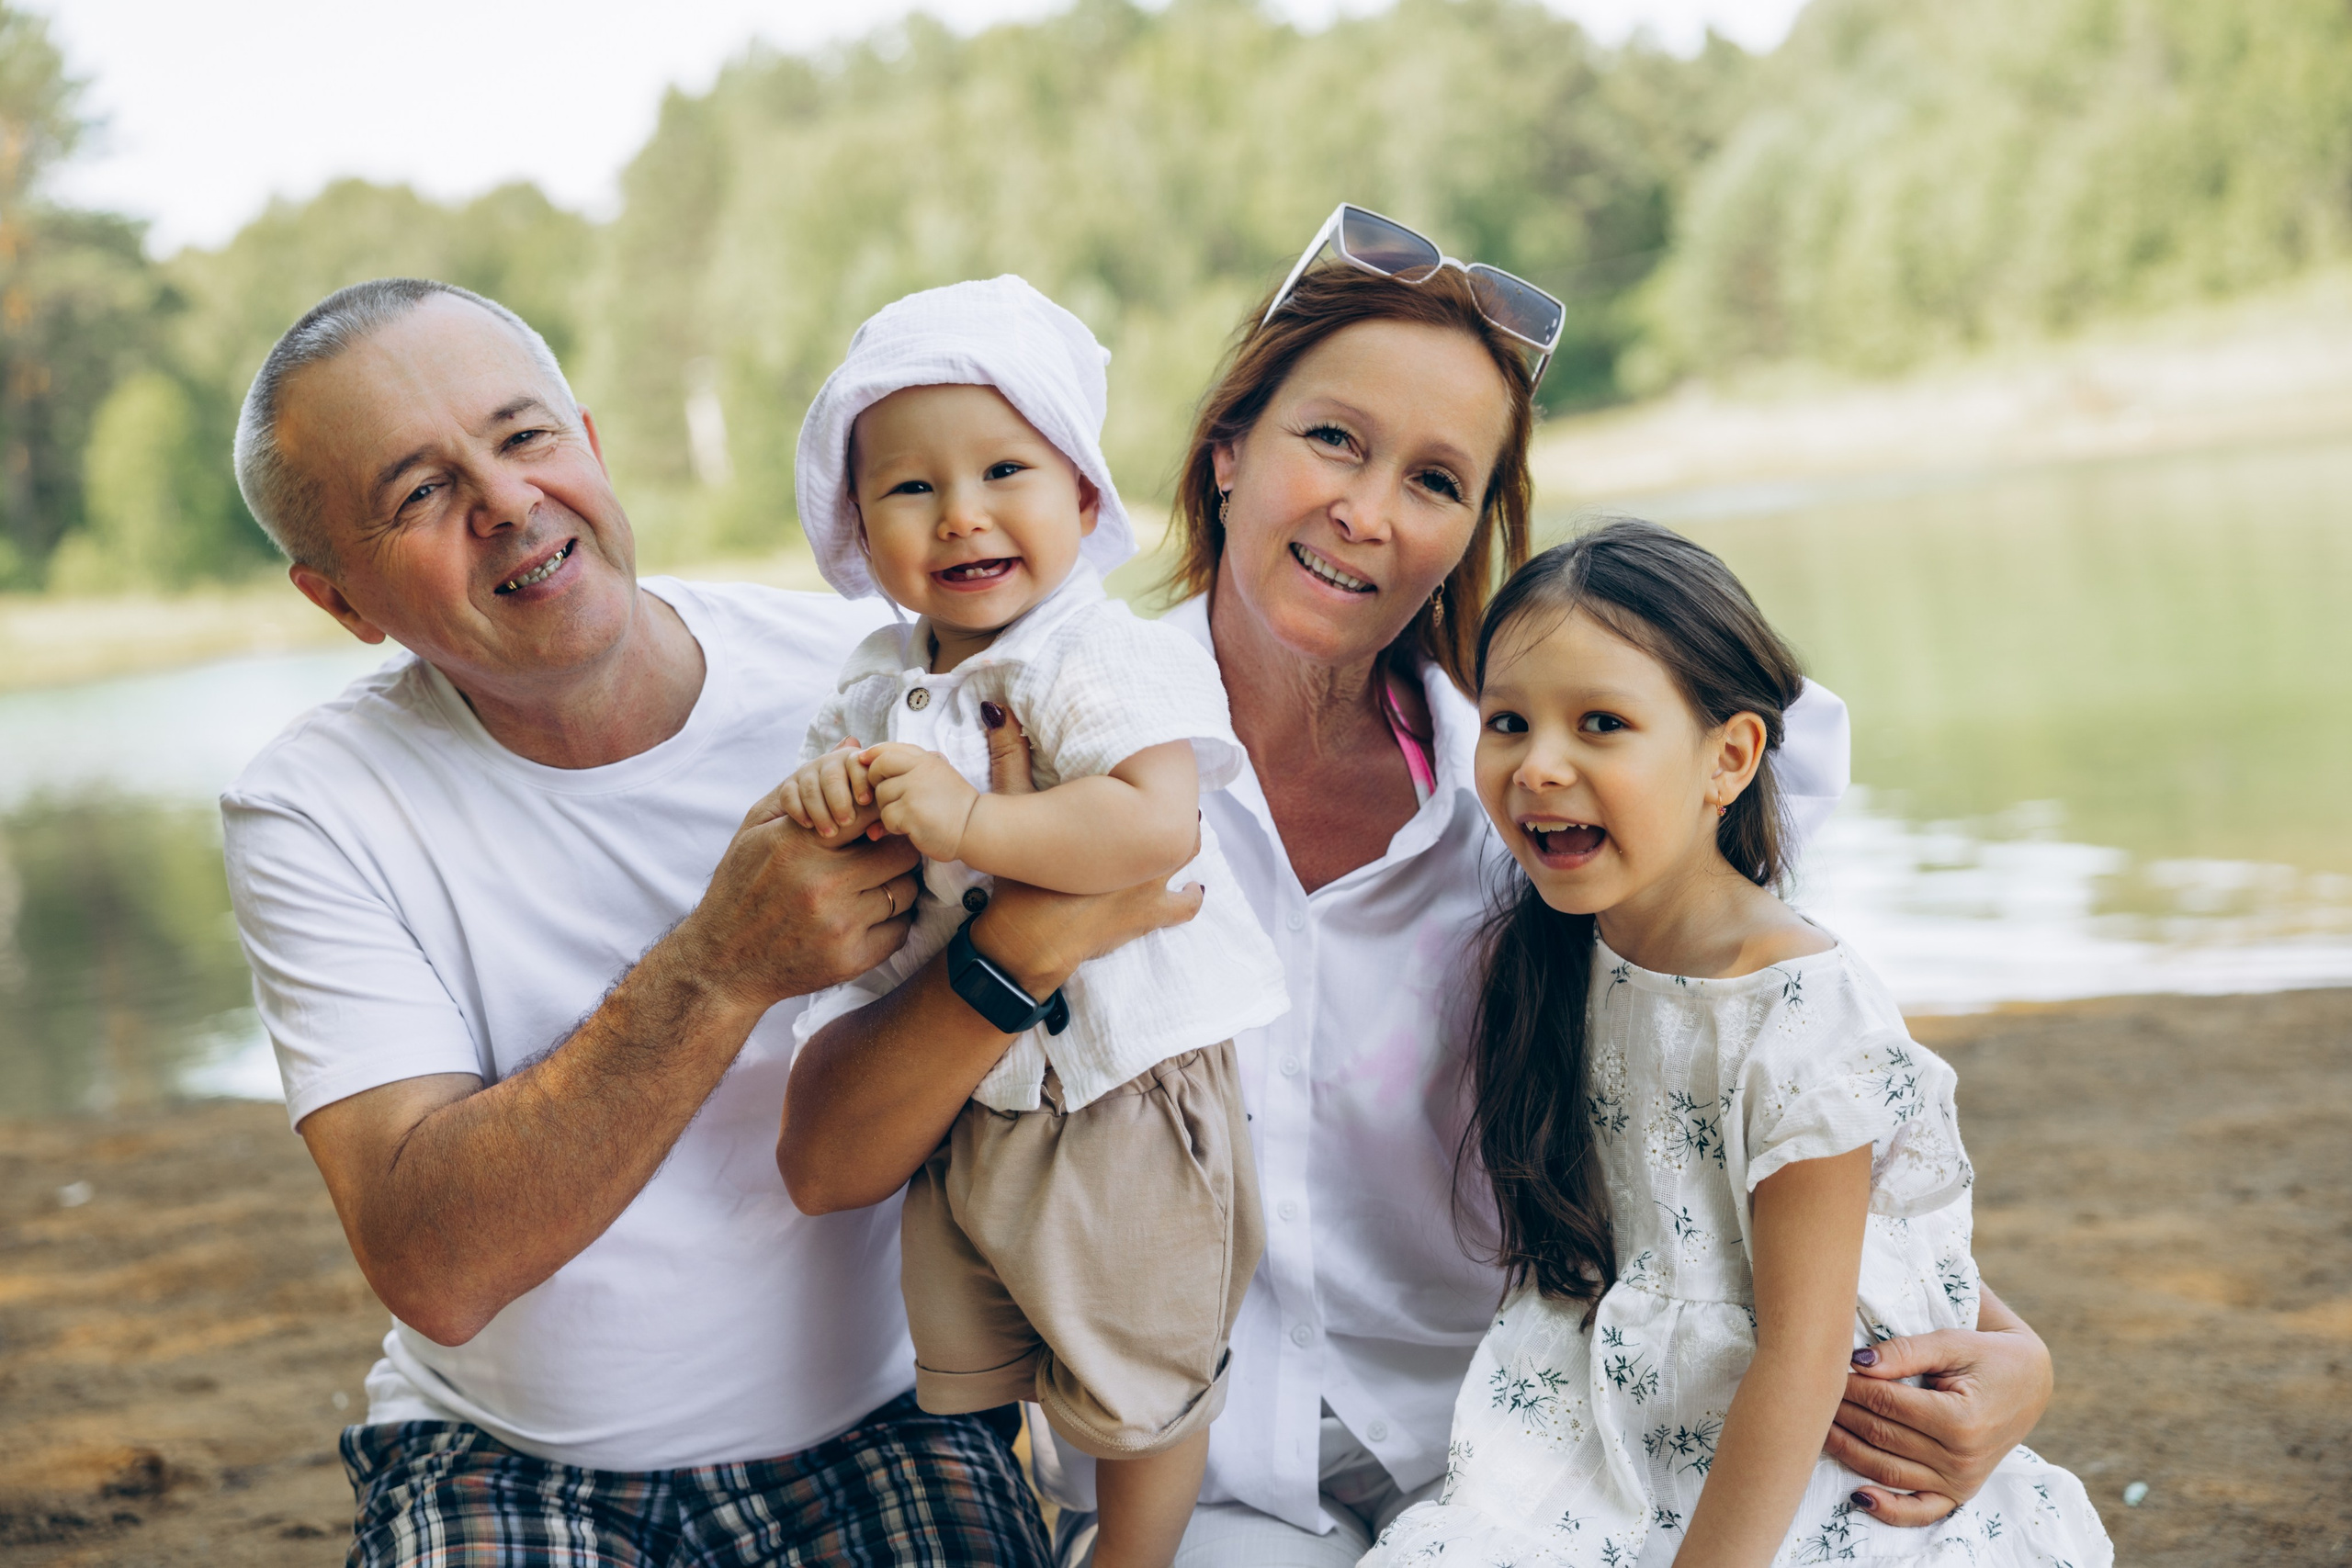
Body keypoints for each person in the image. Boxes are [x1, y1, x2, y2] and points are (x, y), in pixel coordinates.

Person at [781, 206, 2061, 1565]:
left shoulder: (1535, 798)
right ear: (1224, 453)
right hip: (1203, 1488)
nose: (1368, 510)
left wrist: (2008, 1346)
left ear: (1472, 530)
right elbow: (828, 1156)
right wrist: (1026, 934)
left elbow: (1746, 1086)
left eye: (1437, 480)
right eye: (1333, 438)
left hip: (1537, 1460)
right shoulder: (999, 745)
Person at [219, 276, 1192, 1566]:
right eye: (419, 493)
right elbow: (436, 1266)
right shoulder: (315, 803)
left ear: (592, 444)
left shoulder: (878, 681)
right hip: (512, 1452)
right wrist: (718, 966)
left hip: (889, 1413)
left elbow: (1147, 881)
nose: (506, 502)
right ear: (340, 601)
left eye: (524, 438)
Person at [1359, 523, 2111, 1568]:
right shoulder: (1559, 956)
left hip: (1798, 1444)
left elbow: (1806, 1350)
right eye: (1507, 722)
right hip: (1628, 1419)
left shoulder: (1794, 1009)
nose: (1538, 766)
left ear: (1729, 757)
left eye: (1601, 724)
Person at [775, 276, 1289, 1568]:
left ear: (1081, 497)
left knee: (1144, 1361)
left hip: (1122, 1081)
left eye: (1005, 467)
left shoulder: (1094, 654)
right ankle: (1044, 1526)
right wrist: (835, 794)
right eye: (909, 488)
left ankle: (1134, 1555)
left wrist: (968, 824)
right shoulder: (882, 683)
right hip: (976, 1092)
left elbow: (1152, 822)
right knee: (986, 1345)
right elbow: (839, 823)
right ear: (858, 524)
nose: (962, 515)